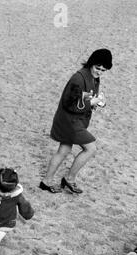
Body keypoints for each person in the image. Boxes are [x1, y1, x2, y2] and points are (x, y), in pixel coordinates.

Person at [40, 49, 113, 194]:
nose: (99, 72)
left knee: (64, 150)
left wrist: (98, 102)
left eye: (103, 70)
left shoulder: (93, 77)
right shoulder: (78, 78)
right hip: (70, 121)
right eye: (97, 68)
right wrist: (92, 101)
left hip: (75, 120)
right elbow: (69, 103)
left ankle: (46, 182)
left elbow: (86, 97)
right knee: (91, 148)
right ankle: (69, 178)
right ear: (91, 63)